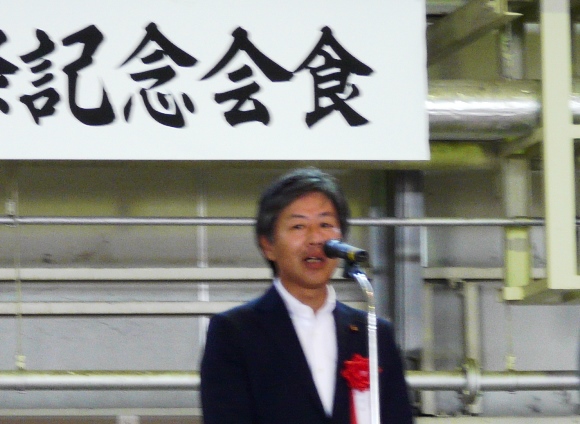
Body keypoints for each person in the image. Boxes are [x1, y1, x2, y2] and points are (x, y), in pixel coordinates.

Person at [200, 167, 414, 424]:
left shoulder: (375, 333)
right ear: (268, 245)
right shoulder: (235, 332)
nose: (315, 238)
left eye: (326, 224)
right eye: (298, 225)